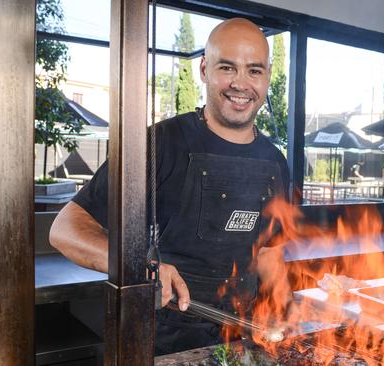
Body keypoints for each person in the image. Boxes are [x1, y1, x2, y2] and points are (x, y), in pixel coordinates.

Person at [49, 18, 290, 355]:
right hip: (166, 339)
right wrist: (142, 268)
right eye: (227, 67)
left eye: (254, 70)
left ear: (267, 76)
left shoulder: (275, 161)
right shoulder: (160, 143)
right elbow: (66, 229)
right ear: (204, 70)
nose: (240, 83)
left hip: (242, 338)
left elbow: (269, 251)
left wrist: (285, 312)